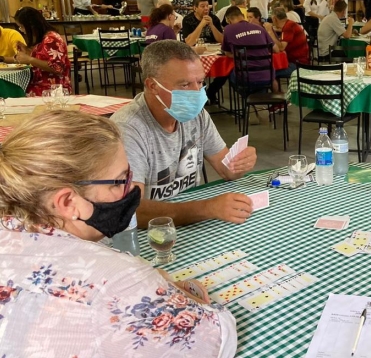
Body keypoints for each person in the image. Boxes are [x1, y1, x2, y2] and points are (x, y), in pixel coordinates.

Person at [0, 110, 238, 357]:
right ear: (68, 202)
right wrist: (172, 292)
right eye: (118, 182)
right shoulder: (117, 280)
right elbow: (218, 339)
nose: (131, 189)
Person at [110, 40, 257, 227]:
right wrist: (206, 209)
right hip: (149, 233)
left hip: (188, 221)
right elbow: (131, 210)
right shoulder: (128, 129)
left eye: (200, 82)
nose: (197, 93)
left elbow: (227, 170)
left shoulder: (197, 115)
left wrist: (241, 162)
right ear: (152, 85)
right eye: (185, 85)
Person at [205, 6, 280, 102]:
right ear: (243, 16)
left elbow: (227, 52)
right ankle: (272, 102)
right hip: (268, 77)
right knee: (271, 74)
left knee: (227, 71)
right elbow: (276, 49)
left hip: (245, 79)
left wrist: (240, 56)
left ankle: (249, 101)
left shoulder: (228, 29)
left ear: (228, 20)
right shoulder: (260, 28)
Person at [13, 7, 71, 96]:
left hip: (53, 89)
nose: (22, 30)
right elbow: (43, 57)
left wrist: (29, 59)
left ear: (31, 26)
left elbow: (57, 68)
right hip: (41, 85)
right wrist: (27, 51)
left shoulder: (52, 39)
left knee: (14, 95)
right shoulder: (44, 38)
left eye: (22, 27)